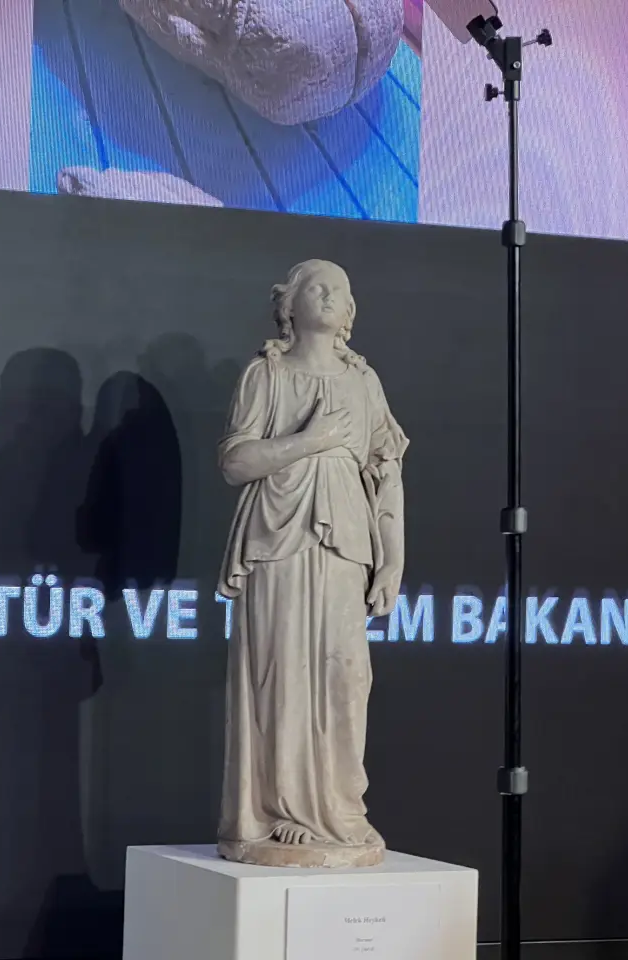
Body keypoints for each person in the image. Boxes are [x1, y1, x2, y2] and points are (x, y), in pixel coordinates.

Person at [216, 259, 408, 866]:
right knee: (282, 670)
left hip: (347, 539)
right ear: (288, 304)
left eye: (339, 290)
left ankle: (338, 808)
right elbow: (236, 462)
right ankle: (280, 812)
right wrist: (312, 440)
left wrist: (394, 560)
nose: (328, 296)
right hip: (279, 536)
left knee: (345, 674)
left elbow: (387, 474)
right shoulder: (266, 375)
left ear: (350, 312)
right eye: (315, 287)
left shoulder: (364, 382)